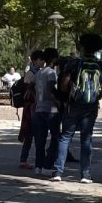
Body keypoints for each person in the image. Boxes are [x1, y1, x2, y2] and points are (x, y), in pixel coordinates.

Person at [52, 32, 102, 184]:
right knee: (86, 138)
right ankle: (85, 174)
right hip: (91, 106)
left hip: (73, 104)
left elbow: (63, 86)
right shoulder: (101, 65)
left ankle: (58, 171)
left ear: (81, 47)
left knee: (65, 137)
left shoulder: (74, 63)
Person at [31, 48, 61, 177]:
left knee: (40, 139)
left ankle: (38, 165)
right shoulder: (51, 73)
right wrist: (57, 101)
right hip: (51, 109)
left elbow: (31, 86)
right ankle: (48, 165)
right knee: (56, 137)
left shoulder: (39, 73)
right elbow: (51, 88)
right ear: (53, 59)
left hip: (39, 108)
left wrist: (37, 98)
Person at [15, 50, 42, 170]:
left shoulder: (38, 72)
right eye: (41, 60)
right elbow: (28, 91)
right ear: (35, 60)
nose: (43, 62)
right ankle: (24, 160)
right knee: (30, 134)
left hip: (35, 106)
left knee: (34, 135)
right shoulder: (30, 74)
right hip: (31, 107)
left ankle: (34, 159)